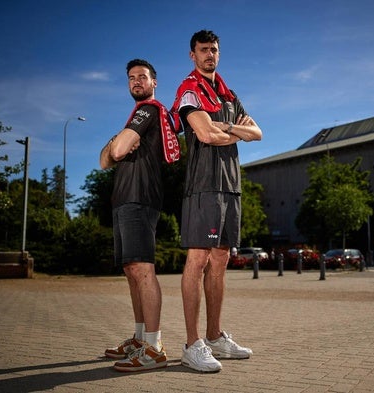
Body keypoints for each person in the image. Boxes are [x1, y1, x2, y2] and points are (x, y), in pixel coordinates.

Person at [171, 30, 263, 372]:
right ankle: (192, 344)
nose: (210, 54)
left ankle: (214, 337)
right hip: (203, 186)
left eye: (214, 50)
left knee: (221, 258)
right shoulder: (189, 90)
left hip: (231, 186)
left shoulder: (229, 94)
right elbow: (205, 134)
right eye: (203, 50)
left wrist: (228, 127)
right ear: (192, 55)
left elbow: (258, 132)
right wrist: (234, 130)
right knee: (197, 259)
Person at [100, 58, 179, 372]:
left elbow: (116, 153)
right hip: (122, 200)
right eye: (131, 78)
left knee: (143, 270)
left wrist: (118, 143)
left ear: (154, 82)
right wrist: (117, 141)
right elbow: (105, 160)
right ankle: (138, 338)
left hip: (140, 197)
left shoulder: (149, 110)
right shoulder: (135, 117)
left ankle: (155, 347)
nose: (136, 81)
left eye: (142, 77)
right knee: (131, 271)